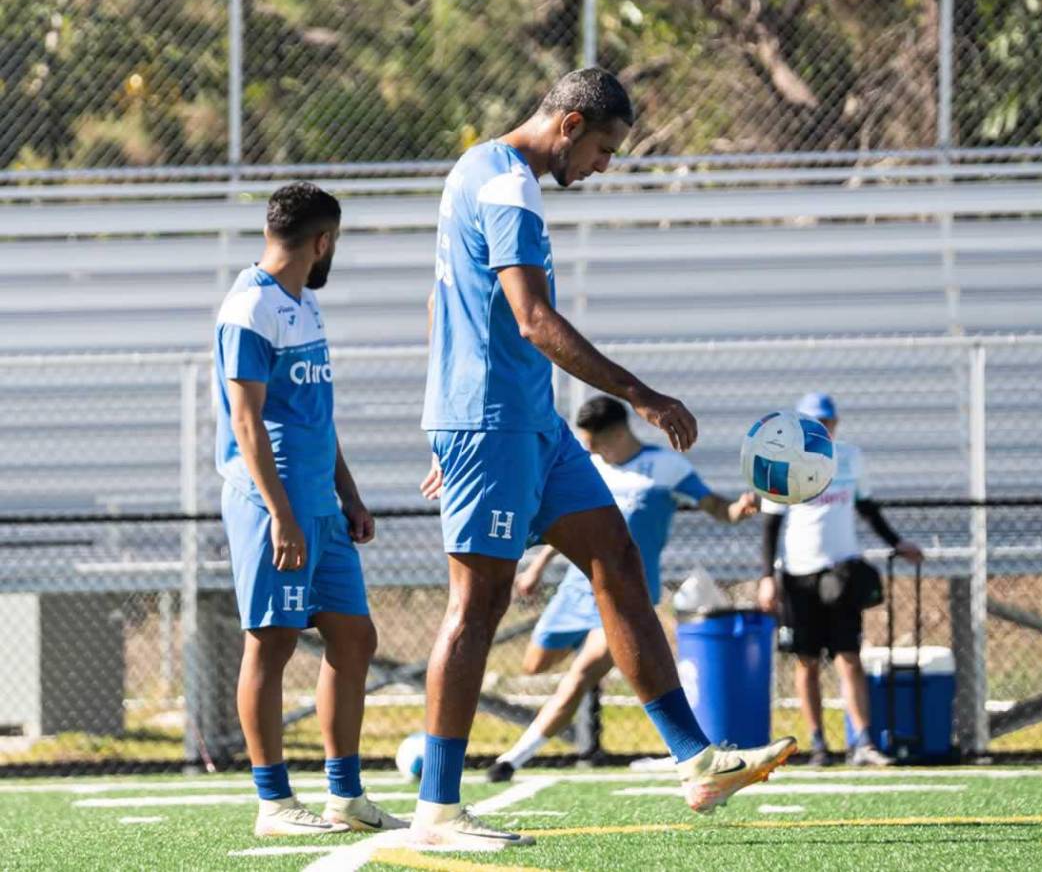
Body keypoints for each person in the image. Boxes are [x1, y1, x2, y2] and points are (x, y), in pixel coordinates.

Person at [416, 68, 796, 849]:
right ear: (571, 122)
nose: (604, 165)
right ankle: (438, 813)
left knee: (618, 558)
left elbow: (440, 304)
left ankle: (697, 761)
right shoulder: (508, 186)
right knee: (479, 607)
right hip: (494, 423)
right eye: (603, 147)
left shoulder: (481, 171)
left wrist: (444, 414)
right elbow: (531, 320)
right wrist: (642, 395)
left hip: (530, 424)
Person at [214, 183, 403, 836]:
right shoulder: (248, 306)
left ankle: (344, 796)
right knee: (271, 643)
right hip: (274, 505)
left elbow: (316, 415)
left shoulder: (306, 306)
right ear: (323, 241)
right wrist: (281, 514)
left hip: (320, 501)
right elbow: (246, 422)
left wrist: (346, 493)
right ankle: (273, 803)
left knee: (355, 637)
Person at [486, 396, 759, 782]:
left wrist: (738, 510)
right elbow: (564, 522)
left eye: (593, 442)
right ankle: (597, 647)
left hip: (627, 593)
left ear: (616, 432)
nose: (588, 450)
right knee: (535, 664)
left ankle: (511, 760)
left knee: (579, 676)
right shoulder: (589, 466)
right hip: (576, 589)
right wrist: (536, 569)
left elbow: (716, 507)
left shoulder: (666, 467)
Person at [757, 392, 923, 767]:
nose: (823, 429)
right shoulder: (782, 462)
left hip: (841, 570)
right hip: (798, 574)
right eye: (815, 422)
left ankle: (862, 742)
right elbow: (771, 524)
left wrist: (897, 542)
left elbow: (865, 505)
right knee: (807, 661)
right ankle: (818, 743)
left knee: (849, 656)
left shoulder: (849, 457)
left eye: (828, 422)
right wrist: (767, 576)